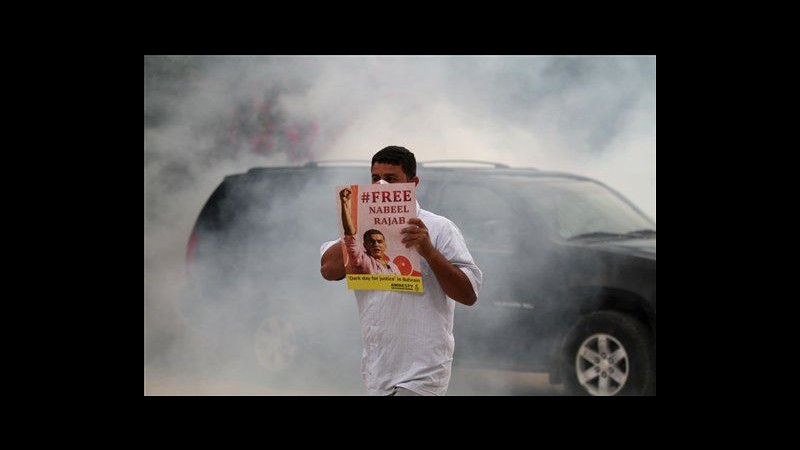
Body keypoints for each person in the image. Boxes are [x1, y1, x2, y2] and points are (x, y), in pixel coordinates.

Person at [320, 146, 482, 396]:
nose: (381, 185)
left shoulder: (439, 228)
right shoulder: (360, 229)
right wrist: (360, 223)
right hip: (378, 368)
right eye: (375, 178)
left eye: (391, 179)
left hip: (422, 371)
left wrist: (429, 252)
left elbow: (468, 294)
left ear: (412, 183)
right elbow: (329, 270)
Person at [338, 187, 402, 275]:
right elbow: (350, 234)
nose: (376, 244)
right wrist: (344, 203)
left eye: (379, 241)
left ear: (385, 245)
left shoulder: (393, 267)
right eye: (371, 242)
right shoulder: (361, 259)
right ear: (365, 245)